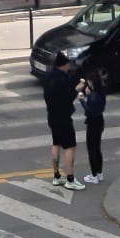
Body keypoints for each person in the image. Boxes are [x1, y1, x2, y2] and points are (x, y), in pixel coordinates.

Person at [43, 50, 84, 191]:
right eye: (68, 64)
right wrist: (77, 89)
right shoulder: (62, 79)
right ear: (64, 64)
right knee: (69, 147)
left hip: (52, 115)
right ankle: (70, 179)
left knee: (56, 144)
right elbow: (67, 98)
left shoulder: (48, 76)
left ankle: (56, 176)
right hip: (63, 117)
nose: (69, 66)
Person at [80, 68, 106, 184]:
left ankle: (93, 175)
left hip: (92, 123)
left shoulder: (94, 95)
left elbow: (89, 111)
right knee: (97, 148)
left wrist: (83, 100)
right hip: (100, 121)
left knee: (91, 150)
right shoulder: (101, 92)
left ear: (91, 82)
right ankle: (99, 173)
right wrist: (89, 95)